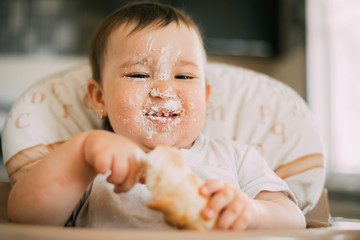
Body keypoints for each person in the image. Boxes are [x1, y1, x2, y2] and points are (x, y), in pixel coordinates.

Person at [7, 1, 306, 230]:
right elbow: (26, 216)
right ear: (99, 99)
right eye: (138, 74)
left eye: (185, 77)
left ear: (204, 97)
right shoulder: (92, 163)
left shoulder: (237, 158)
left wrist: (254, 213)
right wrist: (83, 149)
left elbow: (295, 219)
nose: (163, 90)